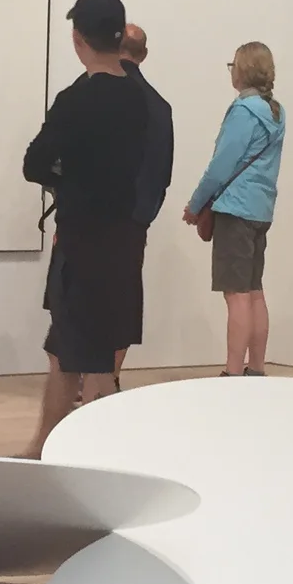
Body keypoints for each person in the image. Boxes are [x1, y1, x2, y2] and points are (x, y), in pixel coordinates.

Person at [21, 0, 151, 458]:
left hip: (79, 245)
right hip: (122, 243)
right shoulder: (141, 101)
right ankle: (52, 451)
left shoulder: (75, 100)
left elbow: (35, 164)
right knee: (82, 355)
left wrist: (68, 174)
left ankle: (79, 459)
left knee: (79, 357)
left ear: (78, 39)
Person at [181, 42, 285, 376]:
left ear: (242, 70)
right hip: (260, 210)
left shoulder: (243, 111)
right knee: (254, 291)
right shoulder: (275, 112)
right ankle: (256, 368)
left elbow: (220, 166)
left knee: (236, 295)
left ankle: (233, 372)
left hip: (235, 210)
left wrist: (195, 204)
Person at [112, 24, 174, 378]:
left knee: (85, 298)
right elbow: (163, 172)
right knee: (123, 297)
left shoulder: (91, 93)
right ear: (144, 54)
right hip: (135, 219)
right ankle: (110, 377)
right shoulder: (160, 107)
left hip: (93, 218)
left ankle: (83, 379)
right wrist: (145, 214)